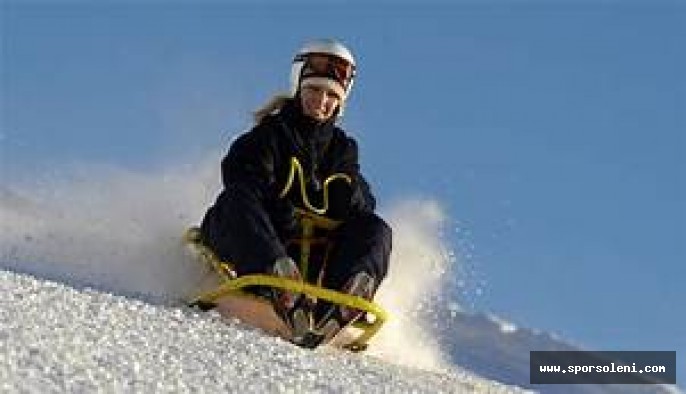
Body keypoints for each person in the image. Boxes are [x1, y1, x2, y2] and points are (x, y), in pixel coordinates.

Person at [199, 39, 392, 347]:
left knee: (375, 228)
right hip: (258, 242)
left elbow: (364, 204)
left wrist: (350, 197)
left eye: (331, 95)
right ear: (299, 88)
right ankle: (279, 279)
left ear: (341, 103)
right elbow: (242, 174)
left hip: (313, 264)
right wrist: (277, 205)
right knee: (237, 200)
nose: (322, 100)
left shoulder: (343, 149)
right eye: (314, 90)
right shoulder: (269, 134)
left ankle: (346, 298)